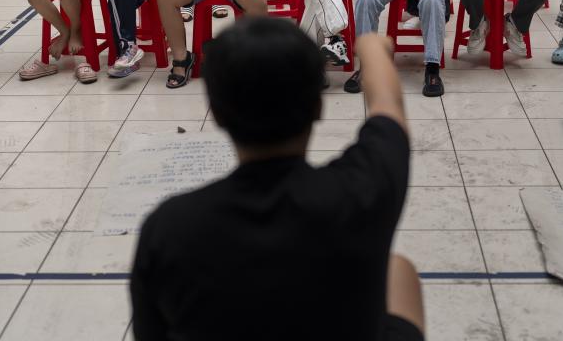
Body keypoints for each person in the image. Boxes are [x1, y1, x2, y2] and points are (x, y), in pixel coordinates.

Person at [130, 19, 426, 341]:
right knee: (398, 271)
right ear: (318, 106)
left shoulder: (169, 227)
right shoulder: (361, 191)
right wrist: (372, 46)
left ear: (215, 112)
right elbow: (388, 108)